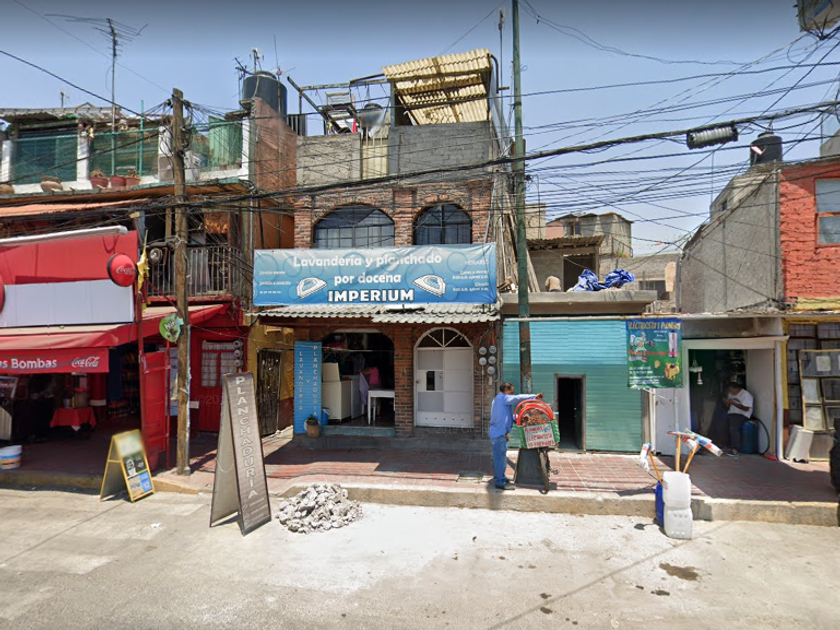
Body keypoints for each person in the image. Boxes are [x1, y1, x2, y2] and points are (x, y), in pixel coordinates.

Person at [489, 382, 543, 490]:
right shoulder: (503, 398)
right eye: (511, 392)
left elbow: (508, 416)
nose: (512, 395)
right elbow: (518, 398)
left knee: (501, 459)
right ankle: (499, 482)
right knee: (500, 460)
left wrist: (520, 417)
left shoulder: (500, 400)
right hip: (498, 434)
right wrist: (534, 397)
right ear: (506, 390)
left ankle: (501, 477)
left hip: (500, 433)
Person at [723, 382, 753, 455]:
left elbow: (746, 408)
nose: (730, 392)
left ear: (736, 389)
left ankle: (735, 449)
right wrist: (727, 403)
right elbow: (728, 406)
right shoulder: (731, 394)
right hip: (731, 413)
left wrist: (733, 403)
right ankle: (726, 445)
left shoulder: (745, 395)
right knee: (721, 423)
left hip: (742, 414)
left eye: (731, 390)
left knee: (734, 428)